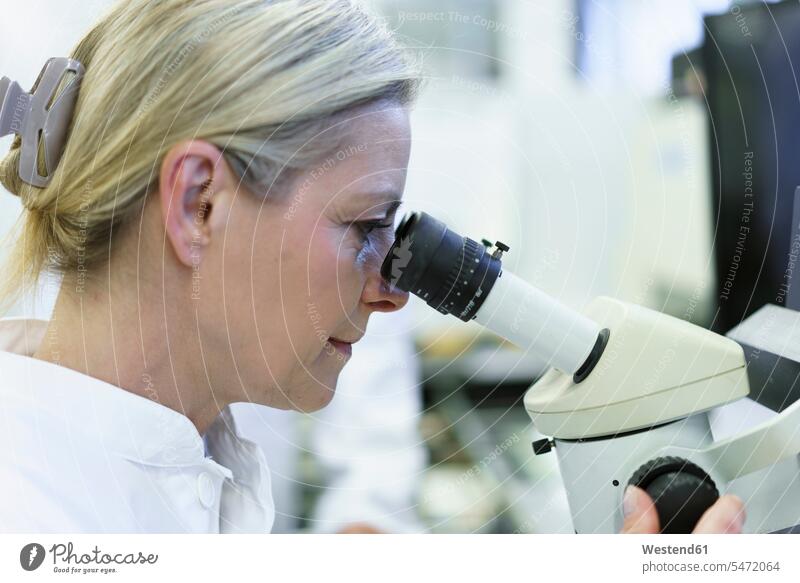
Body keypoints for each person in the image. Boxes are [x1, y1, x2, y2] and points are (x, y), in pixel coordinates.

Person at [0, 0, 743, 534]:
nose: (392, 293)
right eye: (362, 227)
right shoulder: (39, 516)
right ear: (199, 203)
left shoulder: (184, 454)